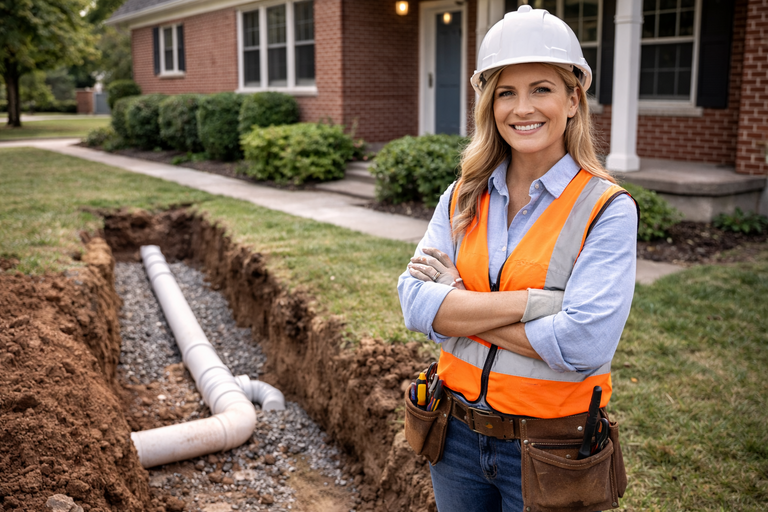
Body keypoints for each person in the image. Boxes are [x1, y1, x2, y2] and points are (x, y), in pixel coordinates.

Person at [397, 5, 637, 511]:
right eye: (506, 91)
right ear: (489, 103)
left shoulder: (606, 208)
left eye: (541, 89)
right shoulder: (465, 193)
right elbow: (415, 303)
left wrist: (460, 305)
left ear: (573, 100)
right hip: (456, 436)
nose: (521, 108)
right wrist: (536, 303)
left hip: (555, 448)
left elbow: (583, 343)